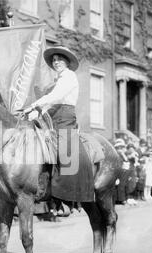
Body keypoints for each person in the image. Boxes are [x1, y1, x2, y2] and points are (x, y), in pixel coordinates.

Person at [25, 46, 100, 203]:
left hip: (65, 116)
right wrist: (33, 114)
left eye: (59, 59)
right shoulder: (57, 80)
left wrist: (33, 105)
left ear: (66, 61)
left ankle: (66, 194)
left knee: (65, 152)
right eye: (54, 60)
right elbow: (50, 104)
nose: (56, 62)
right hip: (52, 115)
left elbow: (56, 96)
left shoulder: (69, 76)